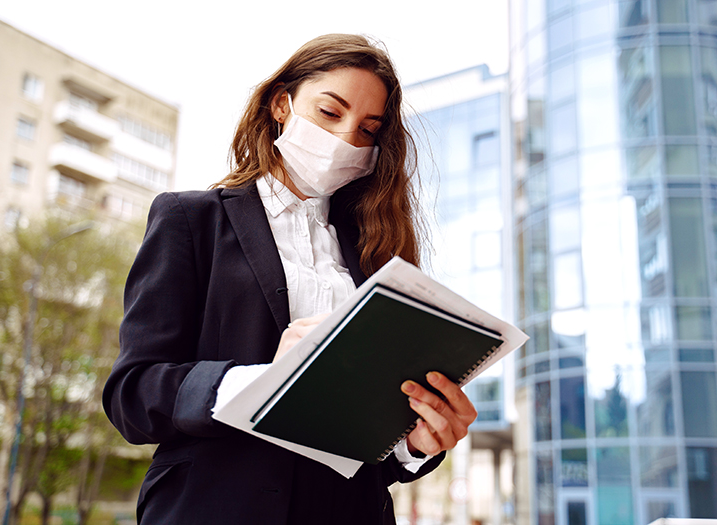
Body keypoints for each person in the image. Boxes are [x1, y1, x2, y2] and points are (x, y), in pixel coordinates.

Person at [103, 34, 478, 524]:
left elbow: (370, 449)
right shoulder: (190, 219)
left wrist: (413, 445)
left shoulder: (375, 256)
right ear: (282, 104)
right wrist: (269, 382)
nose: (346, 138)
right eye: (329, 112)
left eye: (368, 128)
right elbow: (133, 395)